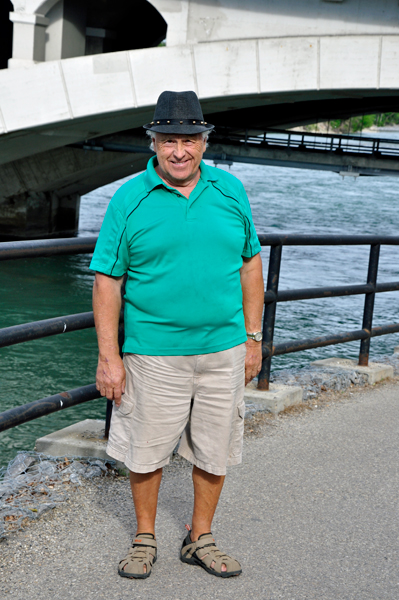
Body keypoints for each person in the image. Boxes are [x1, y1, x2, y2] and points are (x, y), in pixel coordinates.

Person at [90, 90, 264, 580]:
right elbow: (108, 279)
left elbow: (250, 263)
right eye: (169, 140)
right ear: (154, 143)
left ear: (204, 142)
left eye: (189, 139)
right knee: (146, 449)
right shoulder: (129, 199)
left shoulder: (231, 192)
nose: (180, 151)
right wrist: (110, 357)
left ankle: (200, 536)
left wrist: (253, 339)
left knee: (216, 447)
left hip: (224, 350)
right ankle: (145, 536)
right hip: (153, 353)